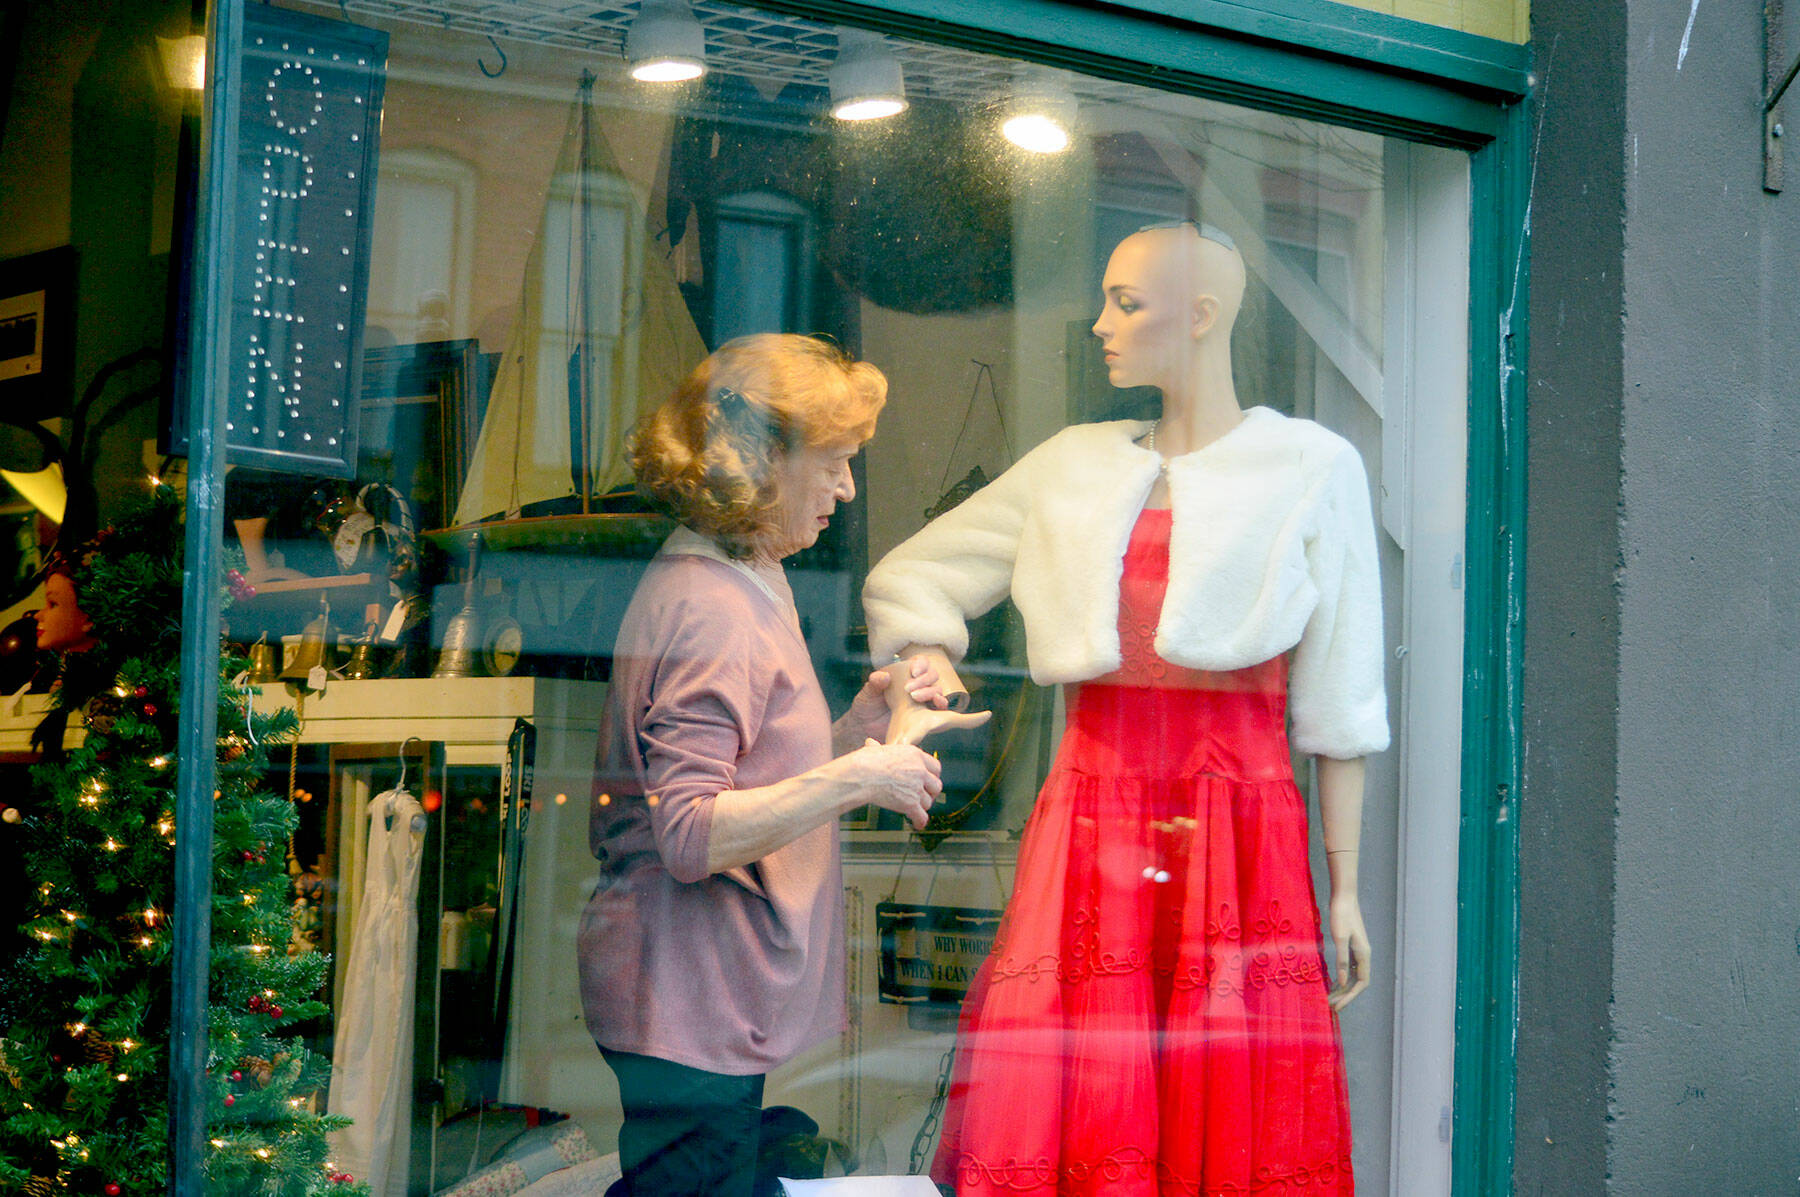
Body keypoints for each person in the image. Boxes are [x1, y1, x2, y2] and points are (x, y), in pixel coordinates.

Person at [863, 223, 1389, 1196]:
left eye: (1127, 302)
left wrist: (1344, 887)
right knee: (1089, 1090)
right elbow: (921, 572)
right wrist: (926, 655)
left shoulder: (1311, 468)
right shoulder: (1074, 465)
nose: (1101, 323)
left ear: (1201, 317)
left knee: (1220, 1093)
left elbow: (1341, 701)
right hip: (1091, 823)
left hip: (1236, 828)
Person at [577, 333, 979, 1197]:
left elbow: (738, 777)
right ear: (760, 459)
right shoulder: (710, 606)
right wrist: (862, 776)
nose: (847, 486)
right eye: (833, 461)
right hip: (685, 995)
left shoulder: (747, 567)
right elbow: (689, 834)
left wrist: (850, 733)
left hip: (702, 995)